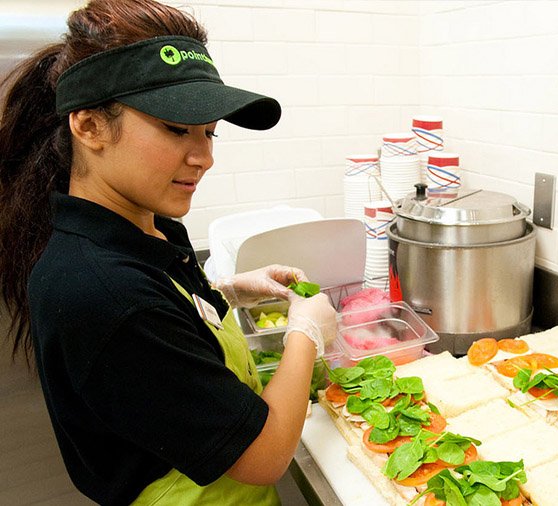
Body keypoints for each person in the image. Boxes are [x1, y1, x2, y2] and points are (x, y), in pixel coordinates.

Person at [0, 1, 337, 504]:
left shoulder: (146, 223)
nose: (203, 157)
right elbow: (263, 458)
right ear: (89, 127)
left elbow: (155, 313)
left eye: (209, 132)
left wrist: (228, 289)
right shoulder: (101, 289)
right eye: (176, 129)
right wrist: (304, 335)